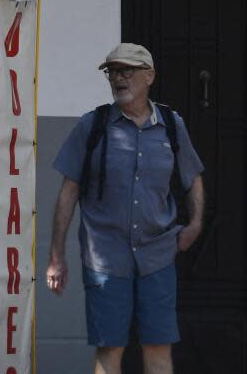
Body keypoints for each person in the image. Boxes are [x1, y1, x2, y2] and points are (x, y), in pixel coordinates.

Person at [46, 43, 205, 374]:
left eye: (127, 71)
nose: (118, 78)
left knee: (158, 347)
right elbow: (67, 192)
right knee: (110, 347)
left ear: (149, 76)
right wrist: (56, 256)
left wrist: (196, 224)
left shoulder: (172, 126)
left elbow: (193, 179)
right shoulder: (93, 126)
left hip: (158, 254)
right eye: (113, 72)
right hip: (105, 256)